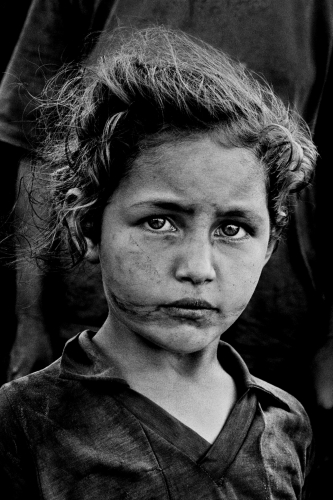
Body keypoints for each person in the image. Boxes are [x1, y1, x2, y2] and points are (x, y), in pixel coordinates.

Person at [0, 27, 316, 499]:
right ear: (87, 225)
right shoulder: (24, 420)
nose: (197, 267)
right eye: (160, 223)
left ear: (269, 245)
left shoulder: (284, 421)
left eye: (232, 229)